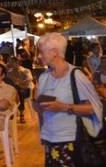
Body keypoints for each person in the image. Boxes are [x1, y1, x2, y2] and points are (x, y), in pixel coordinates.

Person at [35, 32, 103, 166]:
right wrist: (37, 107)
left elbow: (93, 108)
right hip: (50, 138)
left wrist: (63, 107)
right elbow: (40, 108)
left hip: (72, 139)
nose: (39, 56)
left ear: (54, 52)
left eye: (41, 52)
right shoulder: (44, 77)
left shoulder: (76, 75)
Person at [7, 56, 33, 123]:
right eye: (9, 62)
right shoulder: (9, 72)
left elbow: (30, 79)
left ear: (16, 62)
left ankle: (21, 114)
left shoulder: (25, 70)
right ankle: (9, 113)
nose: (9, 64)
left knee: (20, 91)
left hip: (25, 91)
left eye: (11, 62)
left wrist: (19, 82)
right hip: (14, 91)